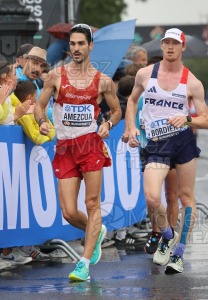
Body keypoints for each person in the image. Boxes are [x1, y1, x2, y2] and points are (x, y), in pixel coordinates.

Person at [34, 23, 122, 281]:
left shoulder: (103, 81)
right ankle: (96, 231)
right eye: (72, 44)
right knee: (69, 212)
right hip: (65, 147)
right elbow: (40, 107)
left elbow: (116, 111)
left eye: (81, 43)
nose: (75, 48)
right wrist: (41, 121)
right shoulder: (55, 76)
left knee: (92, 203)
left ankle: (83, 263)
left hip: (90, 145)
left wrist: (107, 123)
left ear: (90, 46)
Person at [124, 28, 208, 274]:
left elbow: (205, 118)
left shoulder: (192, 82)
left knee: (184, 198)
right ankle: (167, 234)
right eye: (166, 42)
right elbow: (131, 101)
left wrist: (187, 120)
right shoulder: (145, 74)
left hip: (182, 142)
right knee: (152, 197)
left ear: (183, 48)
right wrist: (130, 127)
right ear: (161, 47)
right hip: (156, 143)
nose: (170, 47)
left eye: (175, 43)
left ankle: (179, 253)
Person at [11, 80, 55, 145]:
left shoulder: (32, 111)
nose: (36, 99)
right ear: (29, 97)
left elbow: (52, 133)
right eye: (35, 96)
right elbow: (39, 139)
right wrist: (50, 137)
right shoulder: (22, 115)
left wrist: (44, 114)